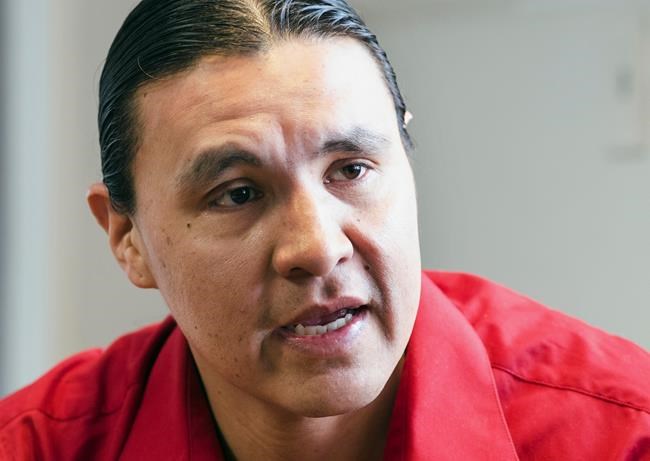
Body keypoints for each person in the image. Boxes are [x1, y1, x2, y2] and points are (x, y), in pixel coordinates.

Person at [1, 0, 649, 459]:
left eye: (351, 169)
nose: (317, 247)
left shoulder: (621, 436)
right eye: (238, 194)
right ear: (127, 238)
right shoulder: (36, 445)